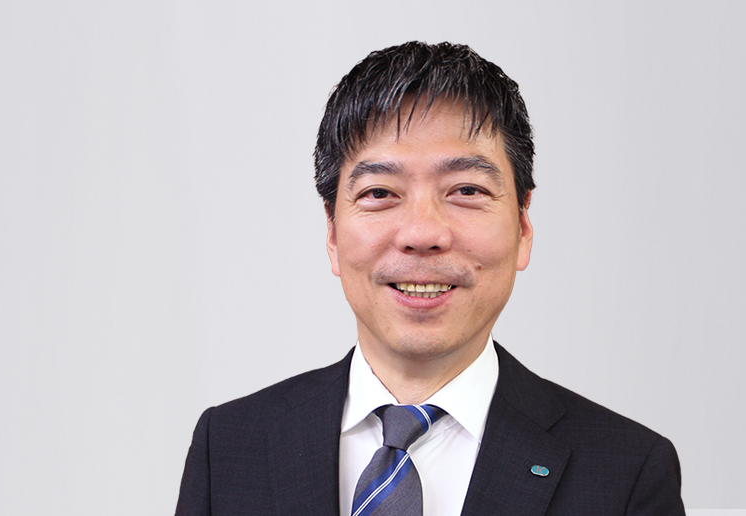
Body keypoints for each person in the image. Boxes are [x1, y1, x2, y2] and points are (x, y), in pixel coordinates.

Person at [175, 41, 685, 516]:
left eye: (466, 190)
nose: (422, 233)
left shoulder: (626, 474)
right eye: (379, 193)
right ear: (331, 232)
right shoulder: (231, 446)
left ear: (523, 227)